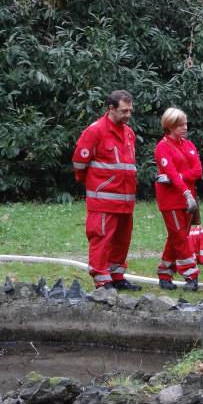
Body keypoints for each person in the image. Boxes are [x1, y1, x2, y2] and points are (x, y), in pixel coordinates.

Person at [71, 89, 142, 291]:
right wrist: (97, 186)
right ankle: (101, 278)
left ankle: (116, 275)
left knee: (121, 240)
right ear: (111, 109)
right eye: (124, 111)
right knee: (101, 238)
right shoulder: (95, 131)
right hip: (103, 199)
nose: (128, 115)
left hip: (125, 199)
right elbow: (79, 163)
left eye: (130, 111)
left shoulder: (129, 133)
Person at [154, 107, 202, 291]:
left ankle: (164, 273)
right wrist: (184, 189)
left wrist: (180, 179)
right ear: (170, 126)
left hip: (188, 198)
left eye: (185, 123)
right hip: (171, 200)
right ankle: (191, 274)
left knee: (176, 237)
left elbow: (197, 171)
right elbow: (171, 173)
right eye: (180, 125)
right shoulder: (162, 147)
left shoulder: (188, 145)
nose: (185, 127)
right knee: (180, 237)